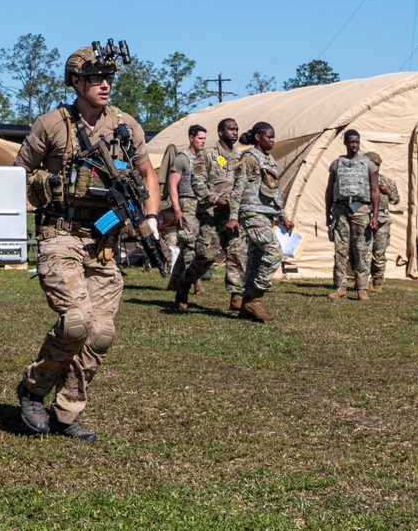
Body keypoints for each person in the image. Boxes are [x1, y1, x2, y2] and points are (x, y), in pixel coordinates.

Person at [14, 42, 160, 441]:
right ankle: (33, 388)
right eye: (95, 78)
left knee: (101, 333)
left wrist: (149, 218)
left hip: (104, 241)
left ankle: (67, 410)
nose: (104, 84)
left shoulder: (125, 125)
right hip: (60, 234)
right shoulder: (51, 124)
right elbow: (17, 175)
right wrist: (49, 183)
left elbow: (148, 173)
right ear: (76, 81)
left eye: (108, 78)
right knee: (76, 323)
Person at [225, 122, 293, 323]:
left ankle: (246, 305)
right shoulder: (248, 158)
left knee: (255, 259)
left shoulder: (270, 160)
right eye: (269, 137)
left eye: (273, 137)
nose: (273, 140)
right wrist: (233, 217)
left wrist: (283, 217)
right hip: (251, 212)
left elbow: (273, 192)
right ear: (257, 137)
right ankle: (256, 297)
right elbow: (238, 188)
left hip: (266, 214)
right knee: (274, 252)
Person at [177, 118, 246, 312]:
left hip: (233, 216)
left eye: (236, 129)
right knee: (206, 256)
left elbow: (240, 186)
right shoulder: (207, 155)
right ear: (221, 132)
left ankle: (236, 297)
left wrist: (235, 211)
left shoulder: (240, 158)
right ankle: (185, 282)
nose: (235, 132)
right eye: (231, 129)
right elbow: (197, 183)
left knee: (237, 255)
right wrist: (214, 199)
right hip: (212, 215)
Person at [325, 130, 380, 300]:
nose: (354, 145)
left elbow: (375, 190)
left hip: (361, 210)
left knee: (361, 249)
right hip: (341, 210)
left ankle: (361, 288)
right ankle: (340, 287)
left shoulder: (368, 164)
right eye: (351, 142)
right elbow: (329, 190)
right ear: (345, 143)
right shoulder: (336, 164)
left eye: (356, 142)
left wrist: (375, 216)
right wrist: (327, 214)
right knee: (340, 250)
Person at [168, 125, 207, 307]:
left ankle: (175, 281)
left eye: (204, 139)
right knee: (190, 242)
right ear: (191, 138)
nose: (203, 141)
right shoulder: (182, 159)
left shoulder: (205, 158)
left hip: (201, 204)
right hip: (187, 202)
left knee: (191, 243)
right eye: (200, 138)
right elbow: (172, 185)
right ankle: (194, 281)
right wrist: (176, 208)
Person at [367, 152, 399, 293]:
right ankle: (362, 282)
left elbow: (396, 200)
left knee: (379, 252)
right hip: (364, 219)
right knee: (362, 252)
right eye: (374, 164)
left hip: (382, 221)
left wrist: (388, 192)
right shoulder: (361, 181)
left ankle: (378, 282)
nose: (377, 167)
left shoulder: (386, 181)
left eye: (378, 164)